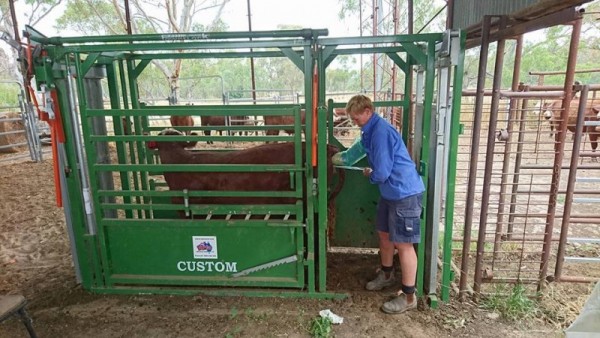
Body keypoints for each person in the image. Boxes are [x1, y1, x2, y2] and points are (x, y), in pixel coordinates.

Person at [334, 94, 425, 314]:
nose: (354, 122)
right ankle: (386, 274)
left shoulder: (381, 132)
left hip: (403, 192)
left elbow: (382, 172)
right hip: (390, 192)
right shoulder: (369, 130)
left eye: (357, 118)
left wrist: (371, 174)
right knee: (384, 234)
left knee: (404, 244)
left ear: (368, 111)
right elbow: (356, 151)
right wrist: (337, 158)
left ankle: (409, 296)